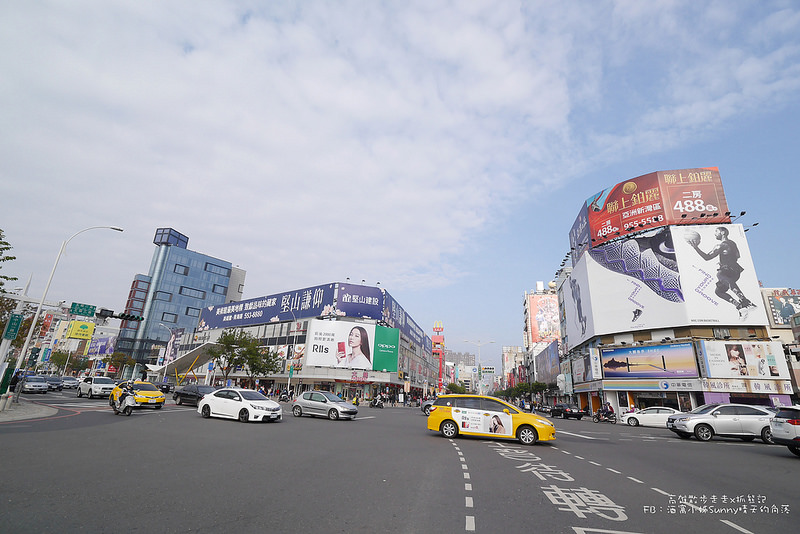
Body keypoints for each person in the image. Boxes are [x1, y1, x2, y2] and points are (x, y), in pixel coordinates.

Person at [686, 226, 757, 318]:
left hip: (729, 270)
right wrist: (726, 259)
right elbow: (737, 255)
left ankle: (746, 301)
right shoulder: (732, 243)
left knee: (719, 274)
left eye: (716, 231)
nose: (715, 234)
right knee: (719, 291)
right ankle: (740, 307)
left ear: (723, 232)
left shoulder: (721, 245)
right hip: (735, 271)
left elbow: (707, 257)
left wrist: (696, 248)